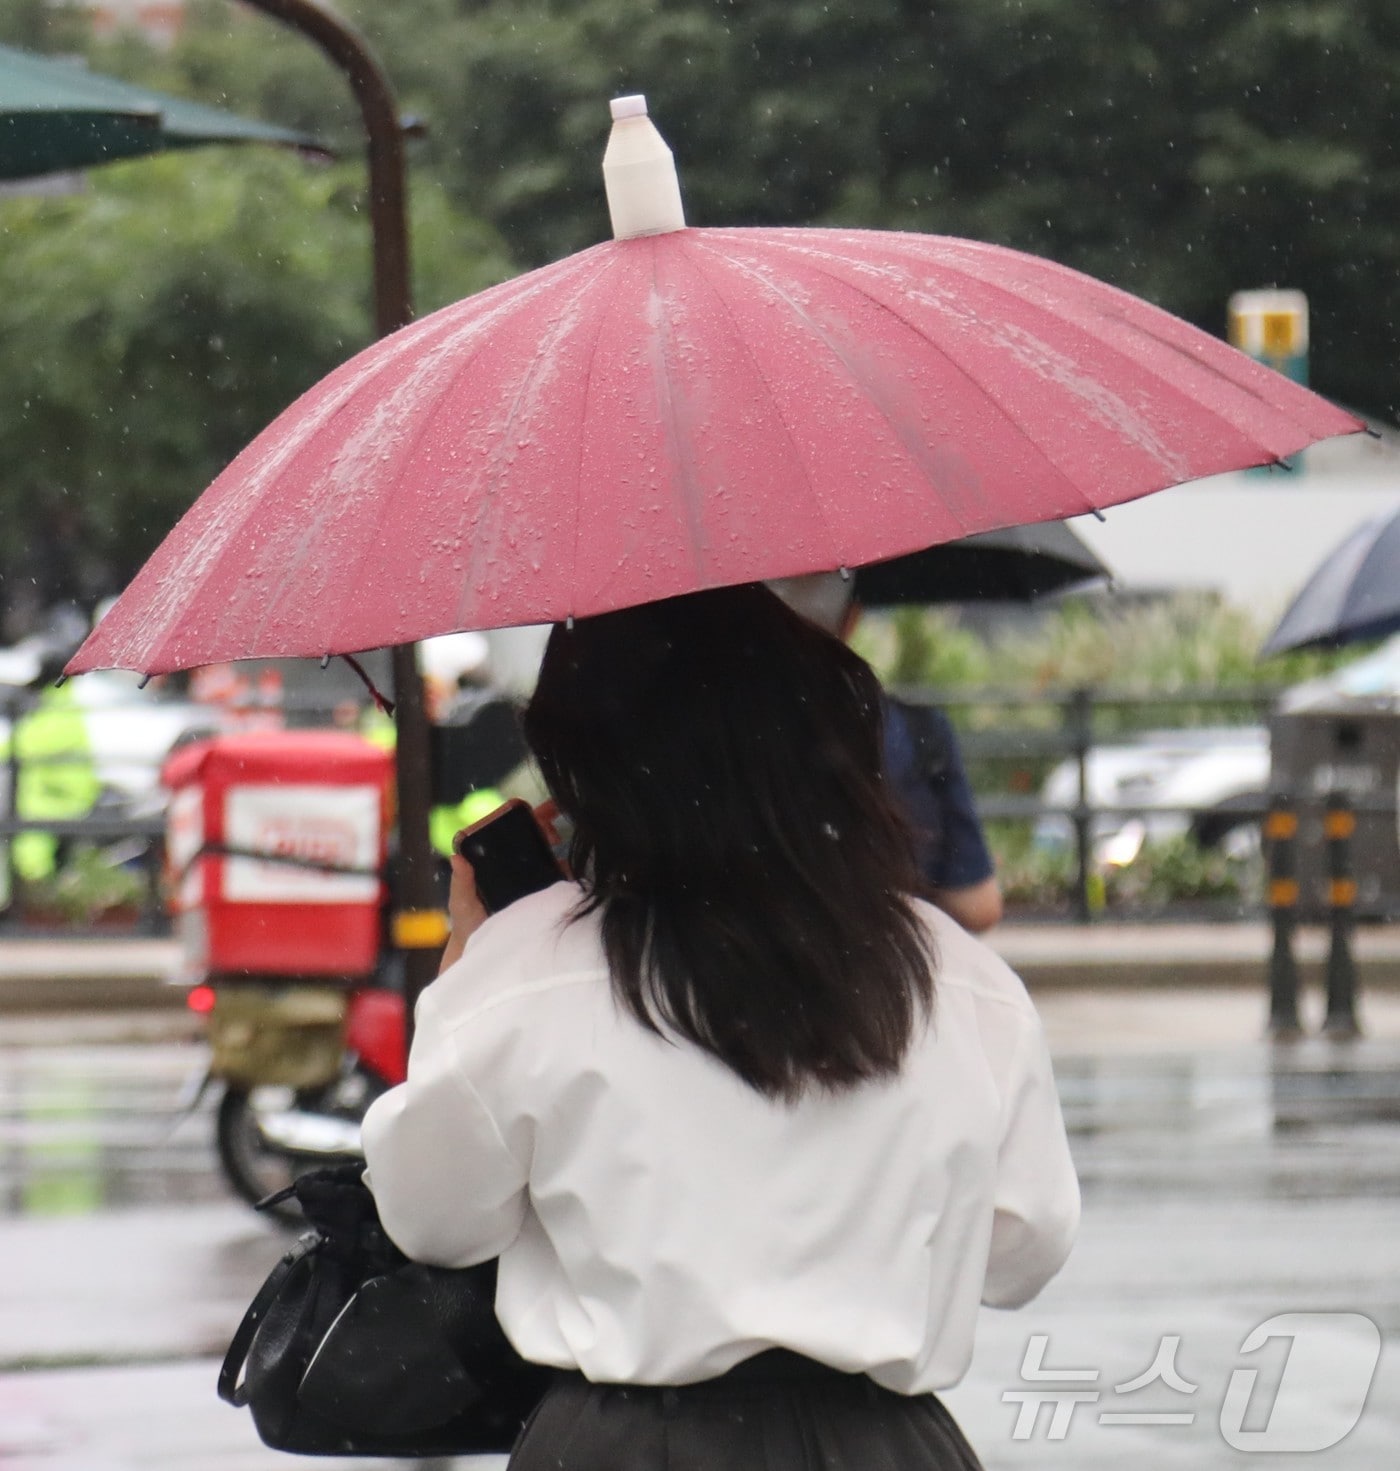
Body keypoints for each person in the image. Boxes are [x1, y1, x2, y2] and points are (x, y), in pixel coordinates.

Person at [361, 584, 1077, 1471]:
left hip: (624, 1444)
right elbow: (1022, 1250)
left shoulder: (528, 975)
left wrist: (467, 968)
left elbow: (433, 1217)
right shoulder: (962, 982)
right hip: (884, 1444)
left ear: (601, 778)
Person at [768, 572, 1003, 932]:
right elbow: (977, 904)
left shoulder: (711, 739)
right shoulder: (912, 731)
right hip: (894, 961)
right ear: (852, 617)